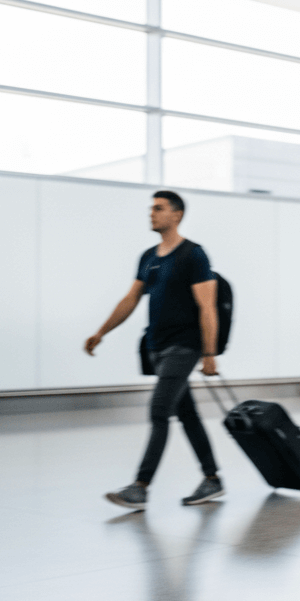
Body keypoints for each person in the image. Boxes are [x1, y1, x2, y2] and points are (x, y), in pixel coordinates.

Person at [85, 191, 223, 510]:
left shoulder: (193, 255)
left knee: (159, 411)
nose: (152, 213)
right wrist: (101, 332)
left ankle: (140, 486)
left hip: (184, 346)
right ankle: (212, 479)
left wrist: (209, 353)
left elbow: (207, 307)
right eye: (152, 208)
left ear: (177, 215)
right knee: (186, 414)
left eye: (159, 208)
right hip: (157, 348)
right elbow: (131, 299)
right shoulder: (149, 257)